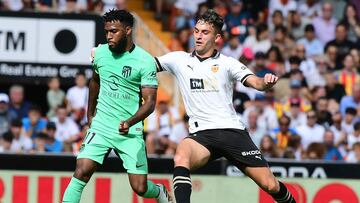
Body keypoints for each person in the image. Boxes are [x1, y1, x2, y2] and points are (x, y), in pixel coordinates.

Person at [155, 9, 295, 203]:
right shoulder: (178, 59)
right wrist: (110, 54)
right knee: (181, 156)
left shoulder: (228, 63)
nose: (198, 36)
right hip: (202, 135)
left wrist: (266, 82)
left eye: (205, 32)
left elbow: (255, 82)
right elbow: (146, 64)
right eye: (196, 31)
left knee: (270, 185)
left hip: (232, 132)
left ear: (217, 37)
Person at [62, 9, 172, 203]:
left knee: (140, 187)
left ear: (128, 30)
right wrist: (90, 115)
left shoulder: (144, 61)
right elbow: (95, 82)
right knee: (82, 171)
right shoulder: (100, 53)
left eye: (114, 31)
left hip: (129, 131)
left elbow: (150, 103)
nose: (109, 36)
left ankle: (159, 192)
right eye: (107, 32)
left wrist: (130, 122)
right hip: (102, 126)